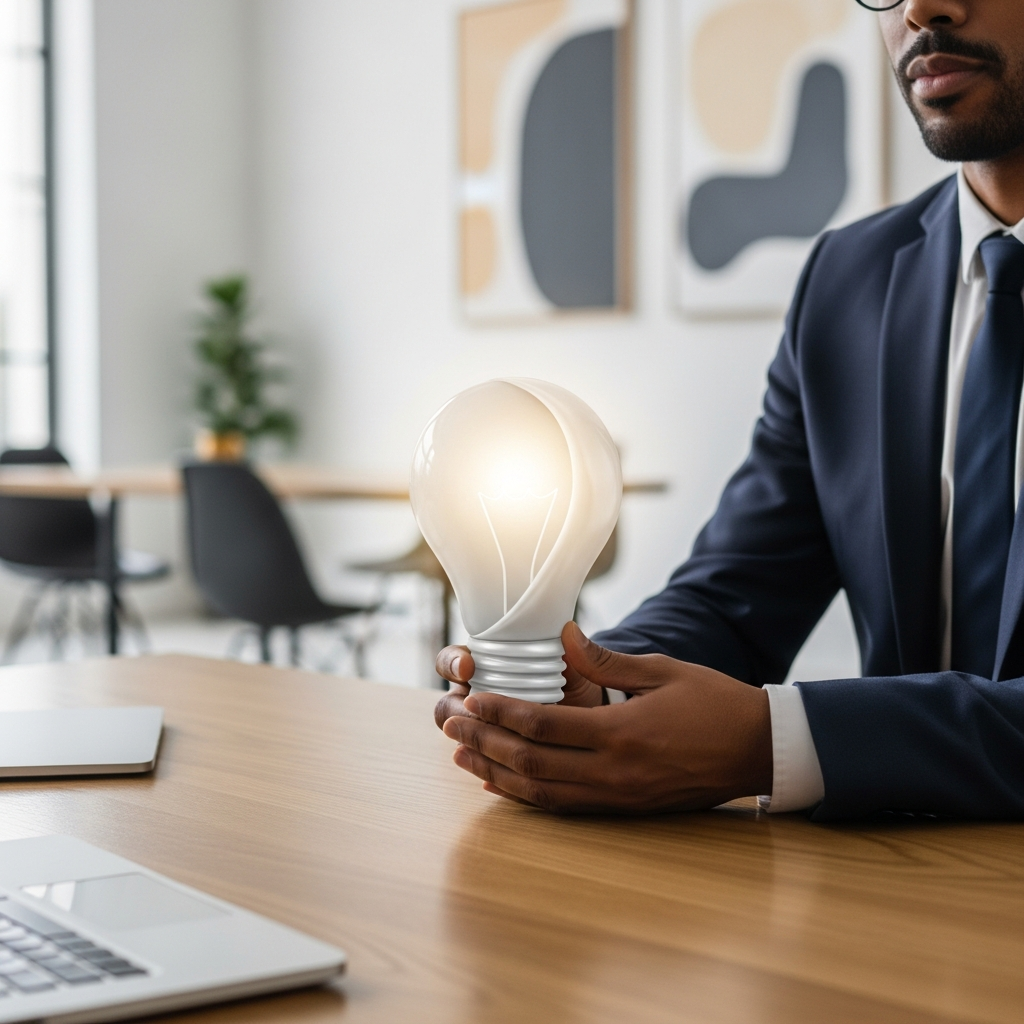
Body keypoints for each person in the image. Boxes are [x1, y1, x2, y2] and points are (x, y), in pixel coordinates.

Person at [434, 0, 1024, 820]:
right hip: (896, 893)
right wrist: (592, 684)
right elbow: (740, 587)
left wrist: (774, 740)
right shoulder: (851, 279)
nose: (923, 7)